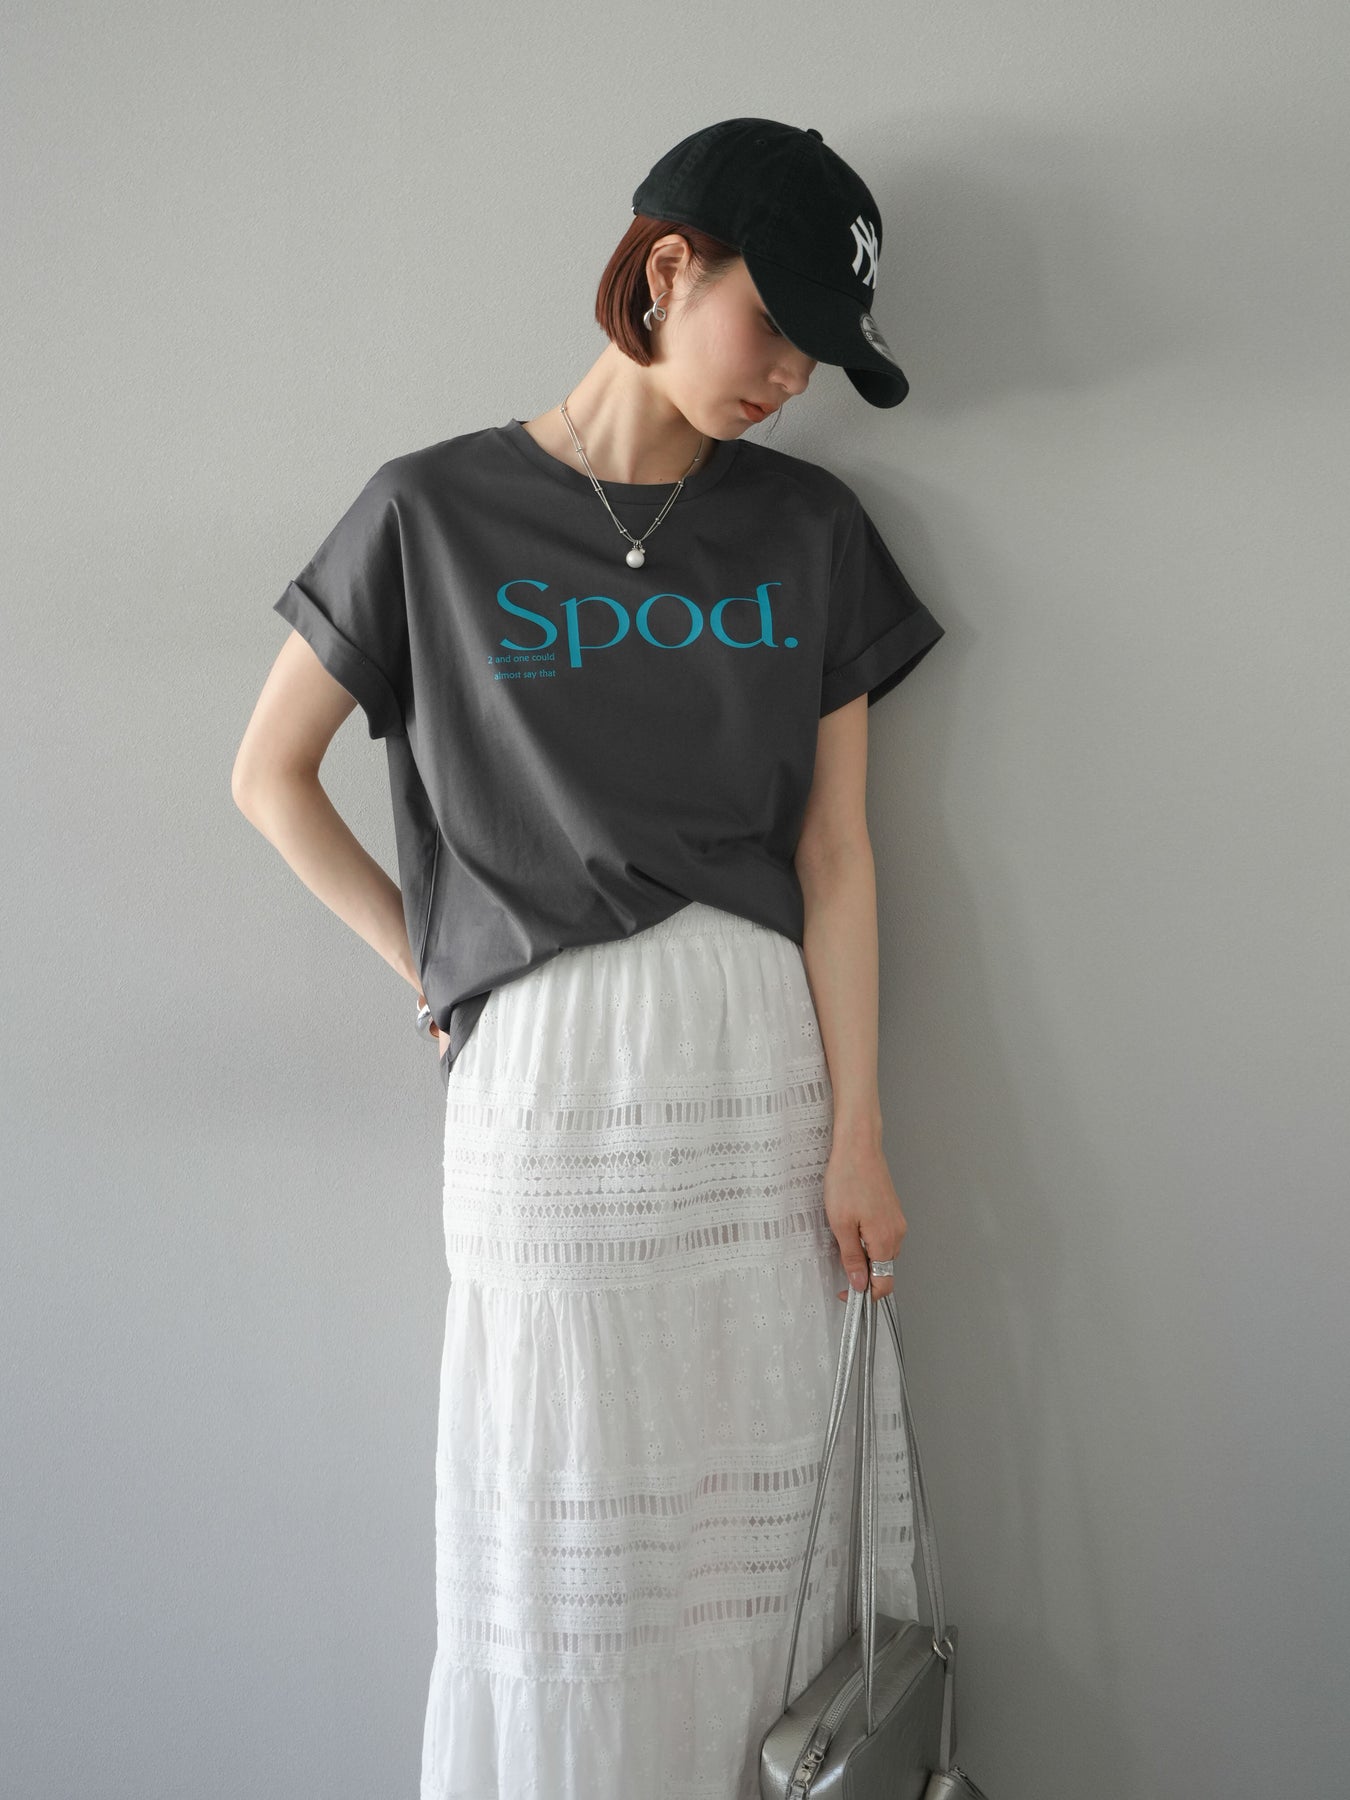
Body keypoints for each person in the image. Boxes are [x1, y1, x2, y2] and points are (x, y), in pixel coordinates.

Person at [232, 117, 945, 1800]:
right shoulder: (431, 510)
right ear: (666, 267)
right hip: (547, 1092)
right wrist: (435, 973)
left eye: (820, 355)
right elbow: (268, 777)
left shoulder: (810, 526)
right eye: (775, 327)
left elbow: (835, 855)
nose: (791, 379)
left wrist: (859, 1130)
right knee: (561, 1515)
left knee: (759, 1498)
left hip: (756, 1063)